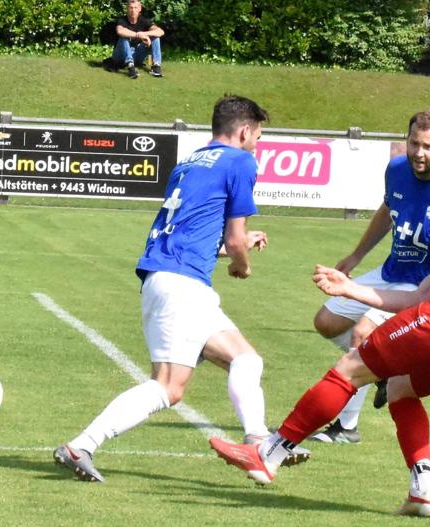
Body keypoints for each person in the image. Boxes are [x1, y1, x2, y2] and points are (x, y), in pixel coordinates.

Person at [210, 136, 430, 518]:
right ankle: (423, 490)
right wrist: (351, 289)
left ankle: (270, 453)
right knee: (399, 387)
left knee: (350, 368)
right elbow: (415, 300)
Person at [53, 95, 309, 483]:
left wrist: (229, 248)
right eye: (258, 135)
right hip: (181, 286)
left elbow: (191, 235)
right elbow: (235, 240)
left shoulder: (189, 161)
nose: (257, 143)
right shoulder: (241, 161)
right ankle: (80, 445)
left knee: (246, 360)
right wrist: (241, 261)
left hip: (172, 278)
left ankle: (258, 442)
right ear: (244, 131)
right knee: (168, 388)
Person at [309, 110, 430, 444]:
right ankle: (383, 365)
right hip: (391, 271)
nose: (419, 153)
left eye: (428, 147)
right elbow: (386, 212)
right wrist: (356, 255)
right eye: (414, 143)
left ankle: (346, 427)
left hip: (421, 284)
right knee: (326, 322)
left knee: (363, 334)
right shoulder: (396, 169)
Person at [103, 0, 164, 79]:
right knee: (123, 38)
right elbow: (120, 31)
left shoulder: (144, 21)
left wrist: (145, 34)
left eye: (135, 8)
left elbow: (160, 32)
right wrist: (138, 35)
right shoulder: (122, 20)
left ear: (140, 9)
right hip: (120, 56)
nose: (133, 10)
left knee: (155, 38)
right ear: (127, 9)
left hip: (137, 54)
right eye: (131, 8)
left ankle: (156, 66)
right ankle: (130, 66)